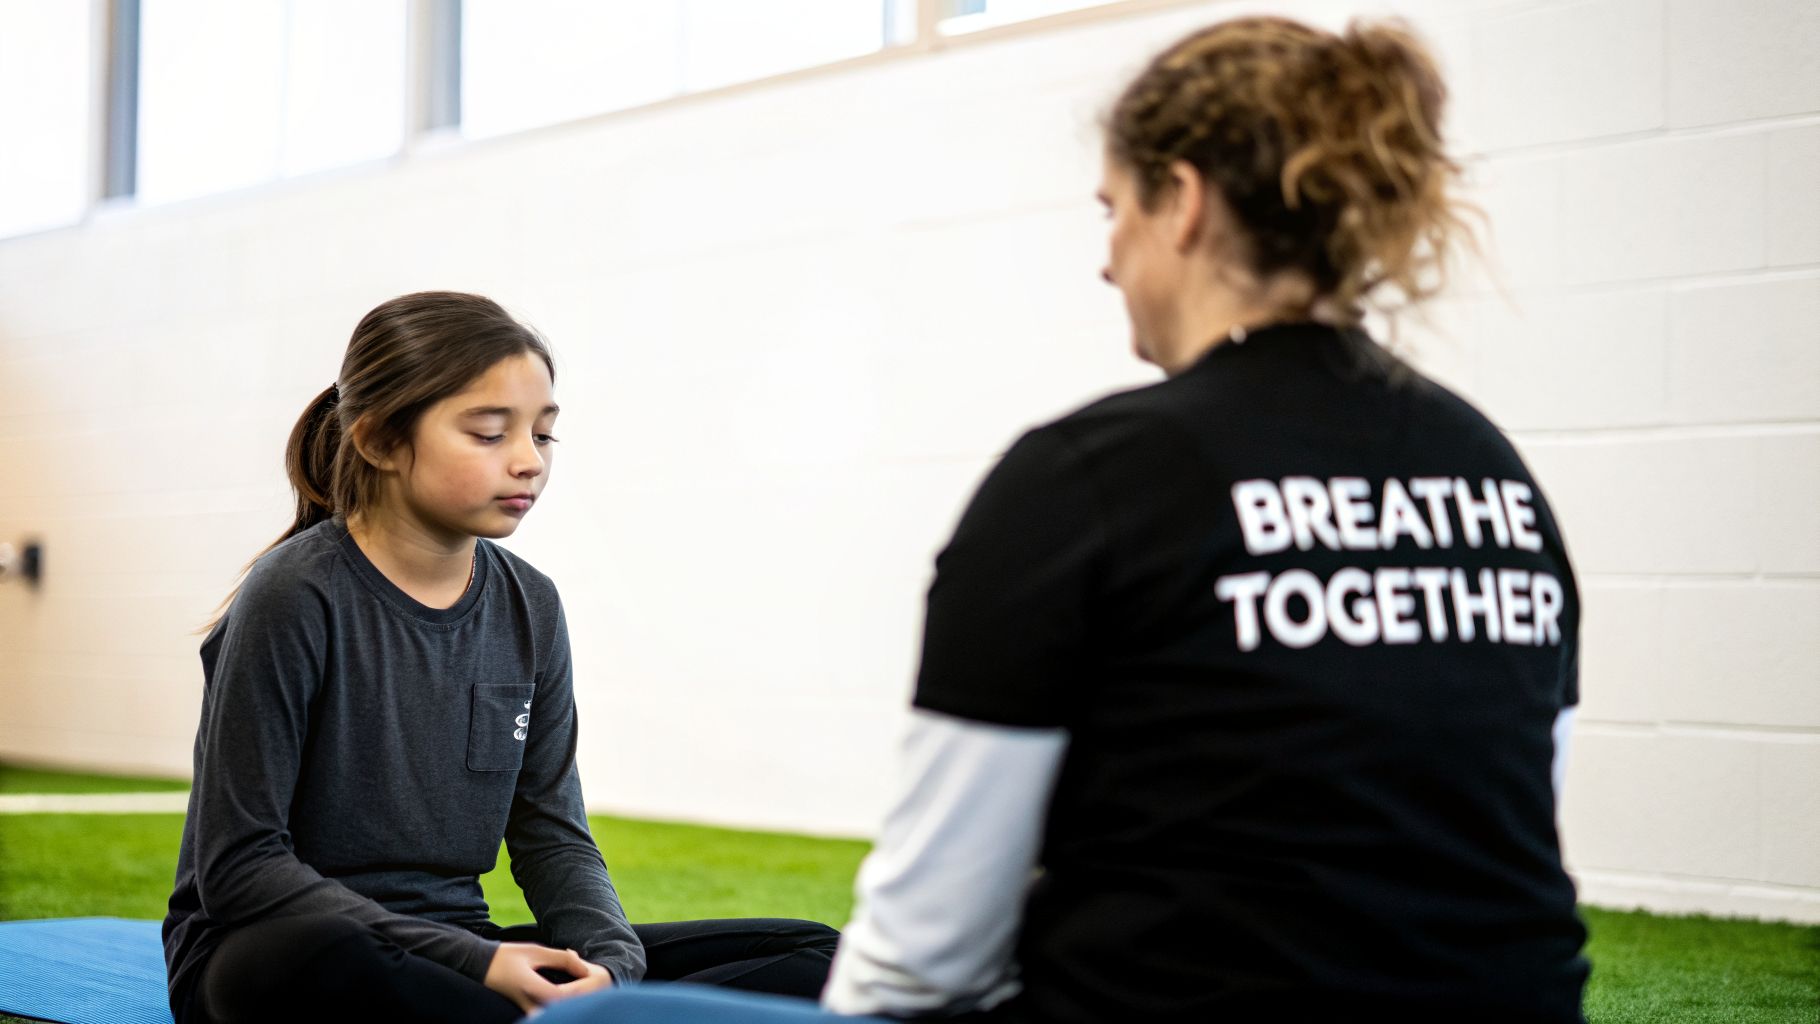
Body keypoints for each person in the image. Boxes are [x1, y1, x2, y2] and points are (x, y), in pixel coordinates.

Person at [543, 13, 1588, 1024]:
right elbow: (1508, 820)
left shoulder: (1087, 476)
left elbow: (923, 950)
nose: (1106, 260)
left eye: (1111, 212)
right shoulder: (1495, 477)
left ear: (1181, 203)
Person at [162, 291, 839, 1024]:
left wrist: (610, 968)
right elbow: (240, 868)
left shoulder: (531, 606)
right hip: (286, 949)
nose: (528, 462)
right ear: (380, 441)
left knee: (816, 955)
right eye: (489, 433)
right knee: (323, 963)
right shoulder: (293, 594)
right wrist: (478, 963)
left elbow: (552, 832)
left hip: (460, 955)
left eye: (544, 437)